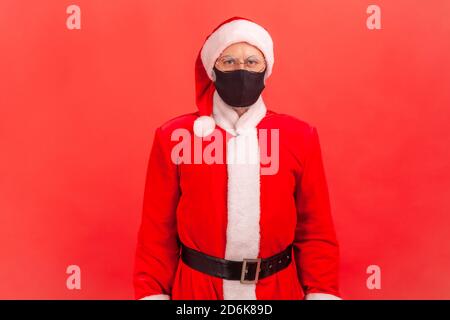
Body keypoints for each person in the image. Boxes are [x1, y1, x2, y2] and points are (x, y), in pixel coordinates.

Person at [133, 16, 341, 300]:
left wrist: (321, 292)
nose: (241, 69)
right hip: (198, 293)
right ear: (212, 70)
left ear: (266, 69)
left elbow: (316, 230)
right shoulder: (174, 136)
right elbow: (156, 233)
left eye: (252, 62)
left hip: (277, 291)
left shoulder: (299, 135)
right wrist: (152, 293)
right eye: (228, 61)